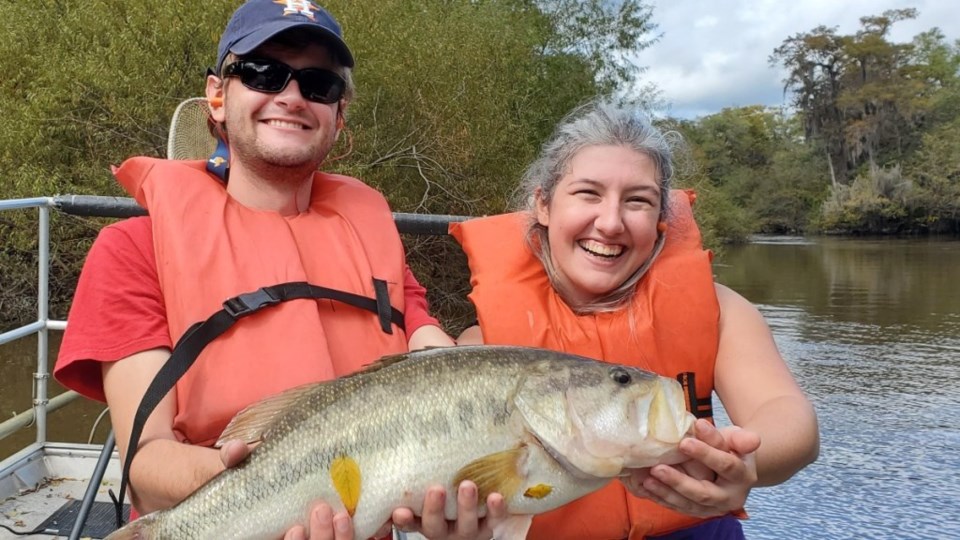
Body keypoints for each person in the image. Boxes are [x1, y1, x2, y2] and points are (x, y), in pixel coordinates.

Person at [54, 2, 506, 539]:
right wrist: (272, 483)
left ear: (338, 116)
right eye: (263, 72)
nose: (292, 97)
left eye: (319, 85)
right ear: (218, 96)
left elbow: (428, 348)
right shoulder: (131, 249)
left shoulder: (373, 242)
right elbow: (146, 468)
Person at [450, 101, 820, 539]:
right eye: (588, 193)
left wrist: (747, 463)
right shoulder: (483, 343)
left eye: (638, 201)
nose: (610, 223)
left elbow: (787, 417)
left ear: (662, 219)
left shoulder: (723, 311)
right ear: (544, 205)